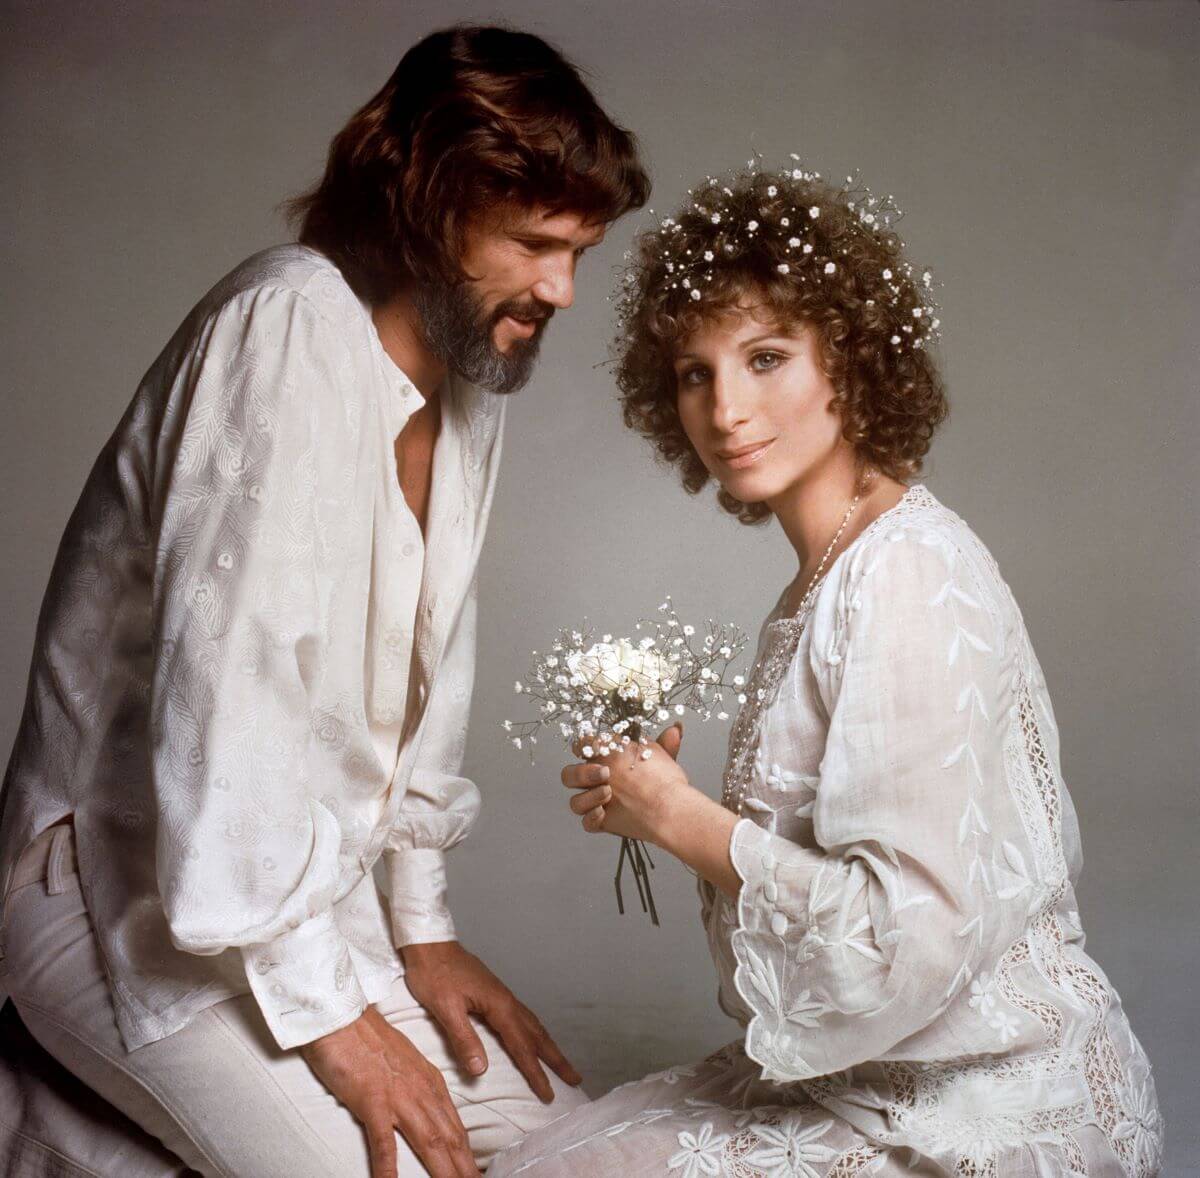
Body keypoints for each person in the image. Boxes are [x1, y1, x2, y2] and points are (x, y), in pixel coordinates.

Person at [0, 24, 649, 1178]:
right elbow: (230, 698)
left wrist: (422, 928)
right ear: (426, 207)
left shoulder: (469, 384)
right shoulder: (288, 322)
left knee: (575, 1148)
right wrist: (334, 1021)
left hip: (293, 890)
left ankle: (69, 1120)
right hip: (117, 883)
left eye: (578, 250)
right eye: (534, 242)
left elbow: (430, 677)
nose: (561, 286)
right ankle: (46, 1090)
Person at [489, 164, 1165, 1177]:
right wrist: (656, 808)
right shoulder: (830, 578)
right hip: (870, 1075)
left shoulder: (906, 577)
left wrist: (680, 816)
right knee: (528, 1149)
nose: (727, 407)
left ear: (847, 362)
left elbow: (902, 942)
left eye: (767, 358)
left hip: (983, 1105)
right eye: (695, 372)